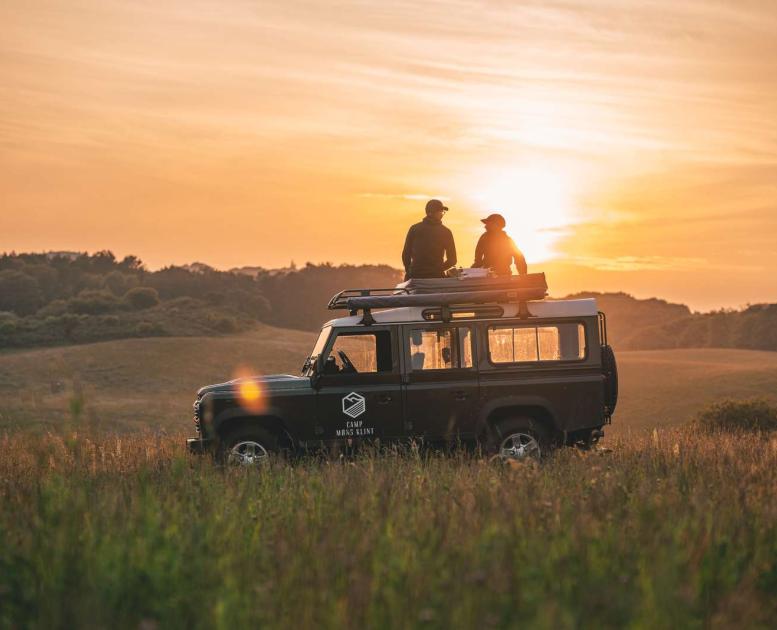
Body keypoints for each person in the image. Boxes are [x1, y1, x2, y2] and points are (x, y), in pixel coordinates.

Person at [401, 199, 457, 280]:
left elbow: (406, 255)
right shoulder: (446, 232)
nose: (442, 215)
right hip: (436, 277)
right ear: (431, 213)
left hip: (415, 276)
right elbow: (452, 260)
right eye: (440, 212)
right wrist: (438, 269)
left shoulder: (414, 229)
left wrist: (410, 272)